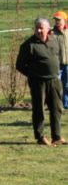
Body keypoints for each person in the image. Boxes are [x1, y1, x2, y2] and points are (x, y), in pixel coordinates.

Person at [16, 17, 64, 146]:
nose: (38, 30)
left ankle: (57, 136)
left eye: (41, 28)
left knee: (57, 109)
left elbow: (57, 56)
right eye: (36, 27)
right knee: (39, 110)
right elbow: (19, 65)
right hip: (38, 82)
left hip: (54, 80)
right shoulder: (28, 45)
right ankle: (40, 137)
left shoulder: (54, 41)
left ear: (48, 29)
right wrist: (33, 75)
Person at [51, 11, 68, 109]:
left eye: (59, 19)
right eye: (55, 20)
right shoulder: (52, 33)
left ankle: (66, 104)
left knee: (67, 84)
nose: (57, 21)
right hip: (57, 64)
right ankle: (55, 103)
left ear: (64, 20)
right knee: (56, 85)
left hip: (67, 63)